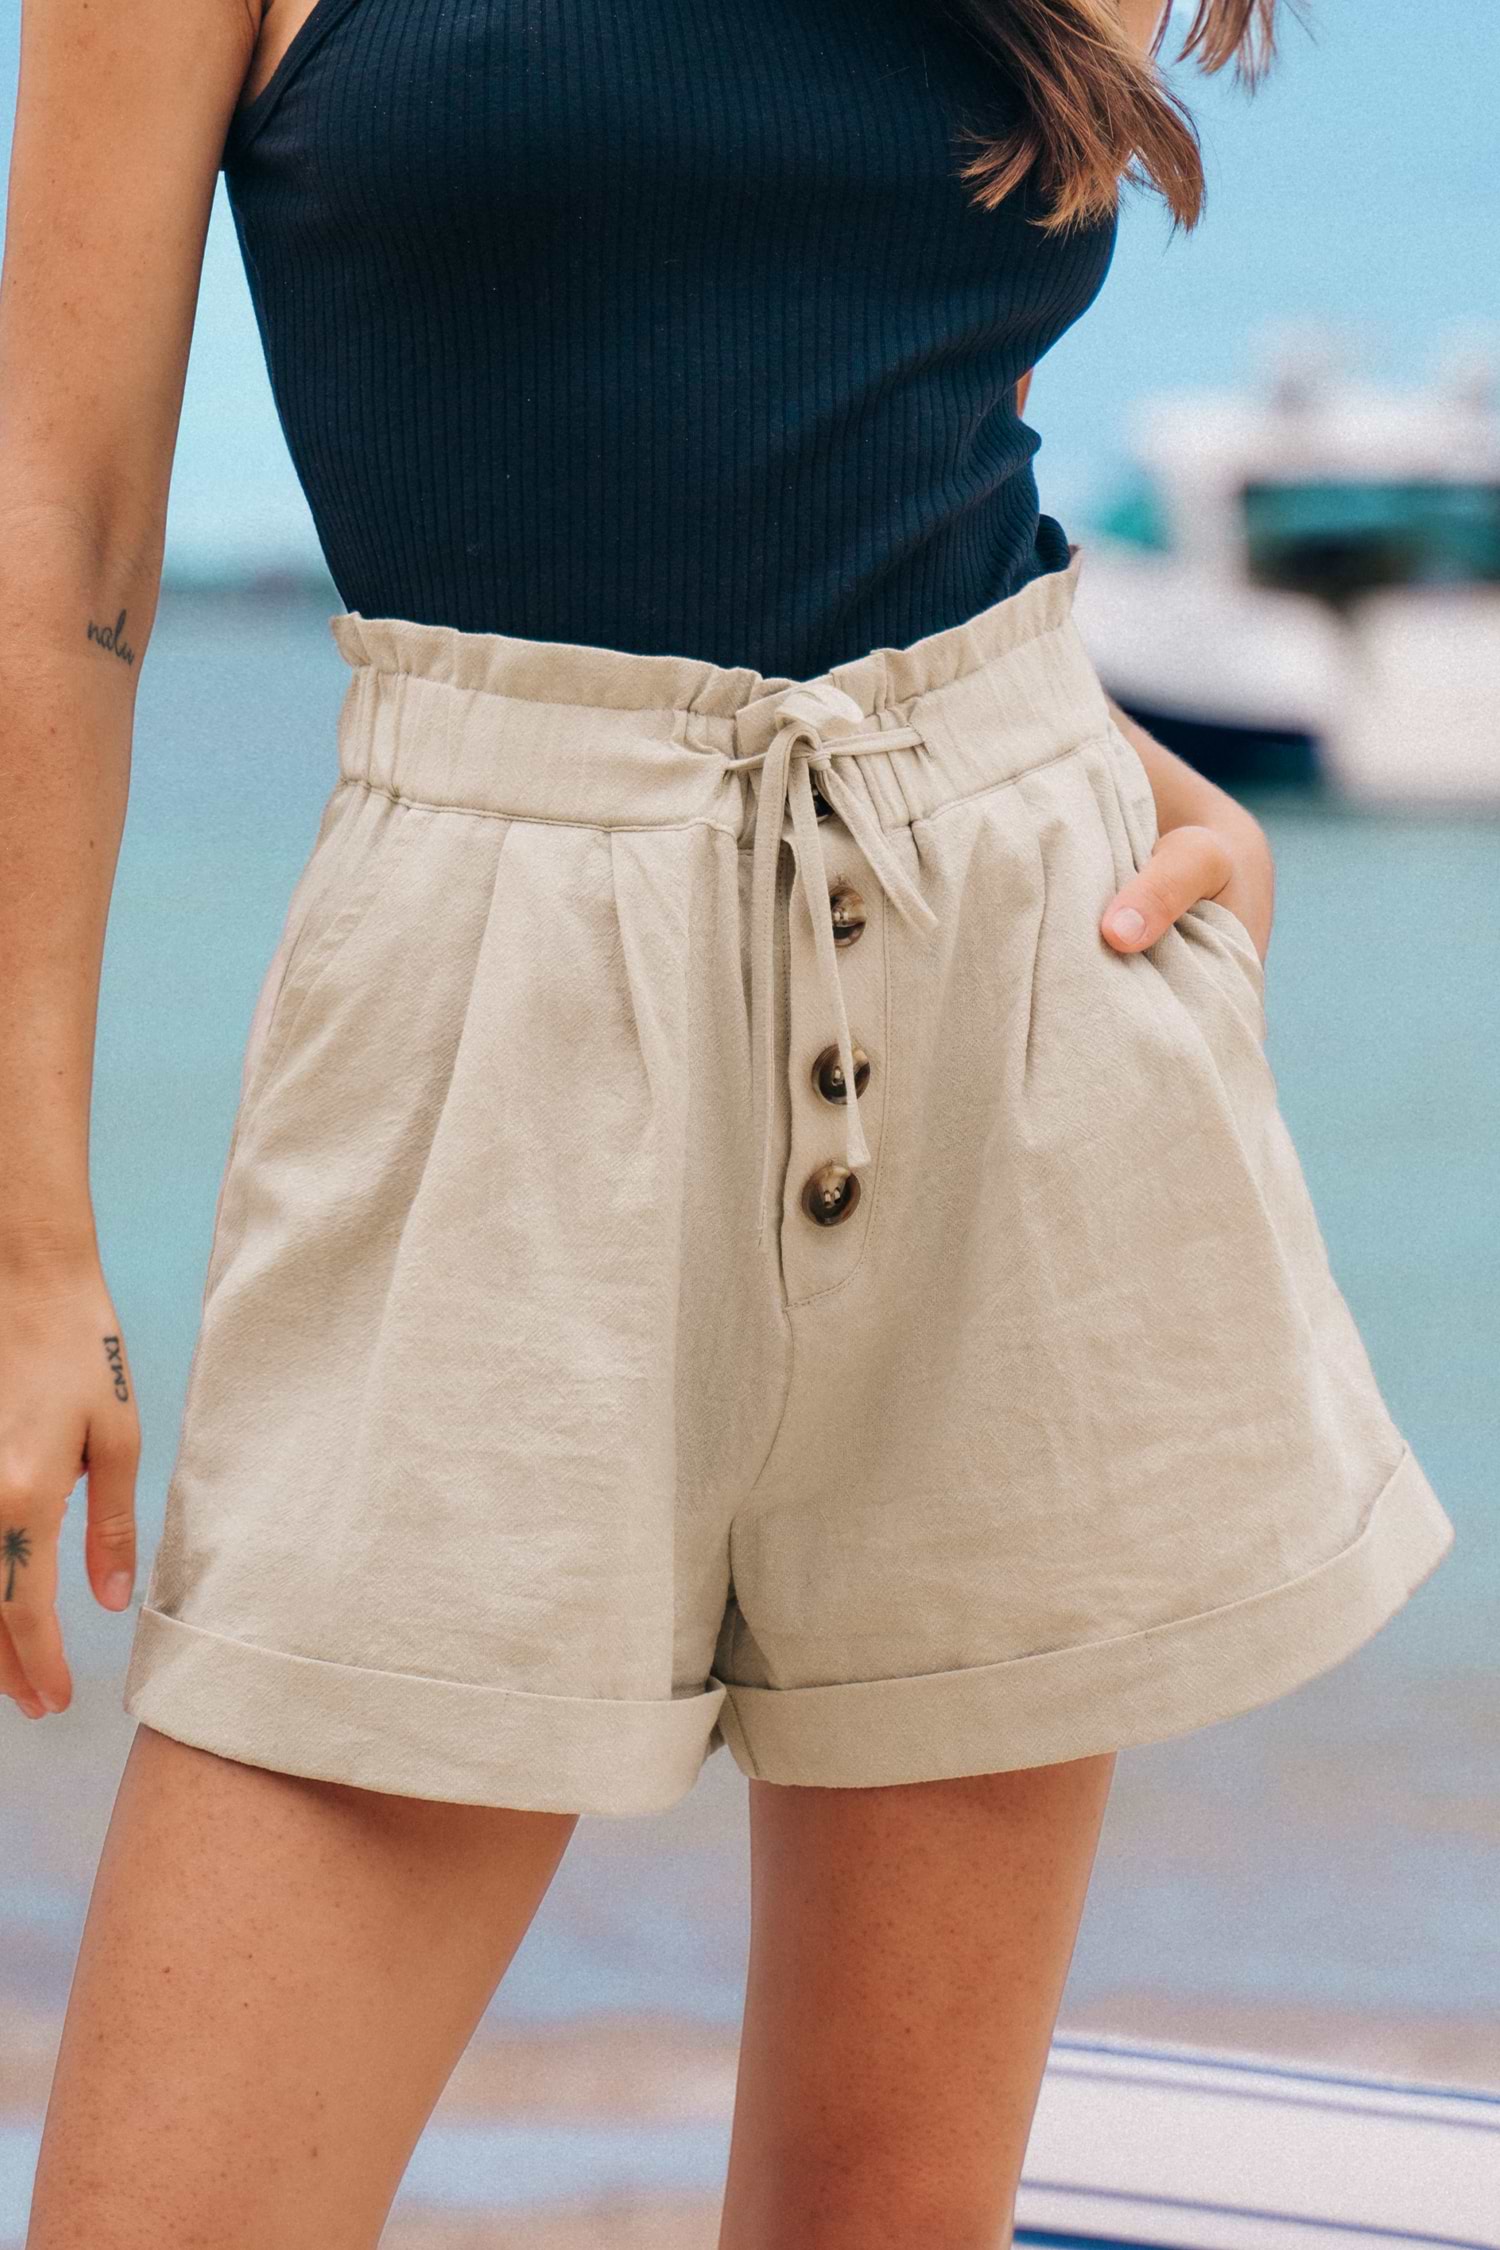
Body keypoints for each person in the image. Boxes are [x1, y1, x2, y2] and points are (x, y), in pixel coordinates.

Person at [0, 0, 1454, 2242]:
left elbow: (914, 389)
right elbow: (66, 523)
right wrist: (29, 1249)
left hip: (1010, 1010)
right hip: (493, 1023)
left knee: (881, 2218)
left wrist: (1109, 766)